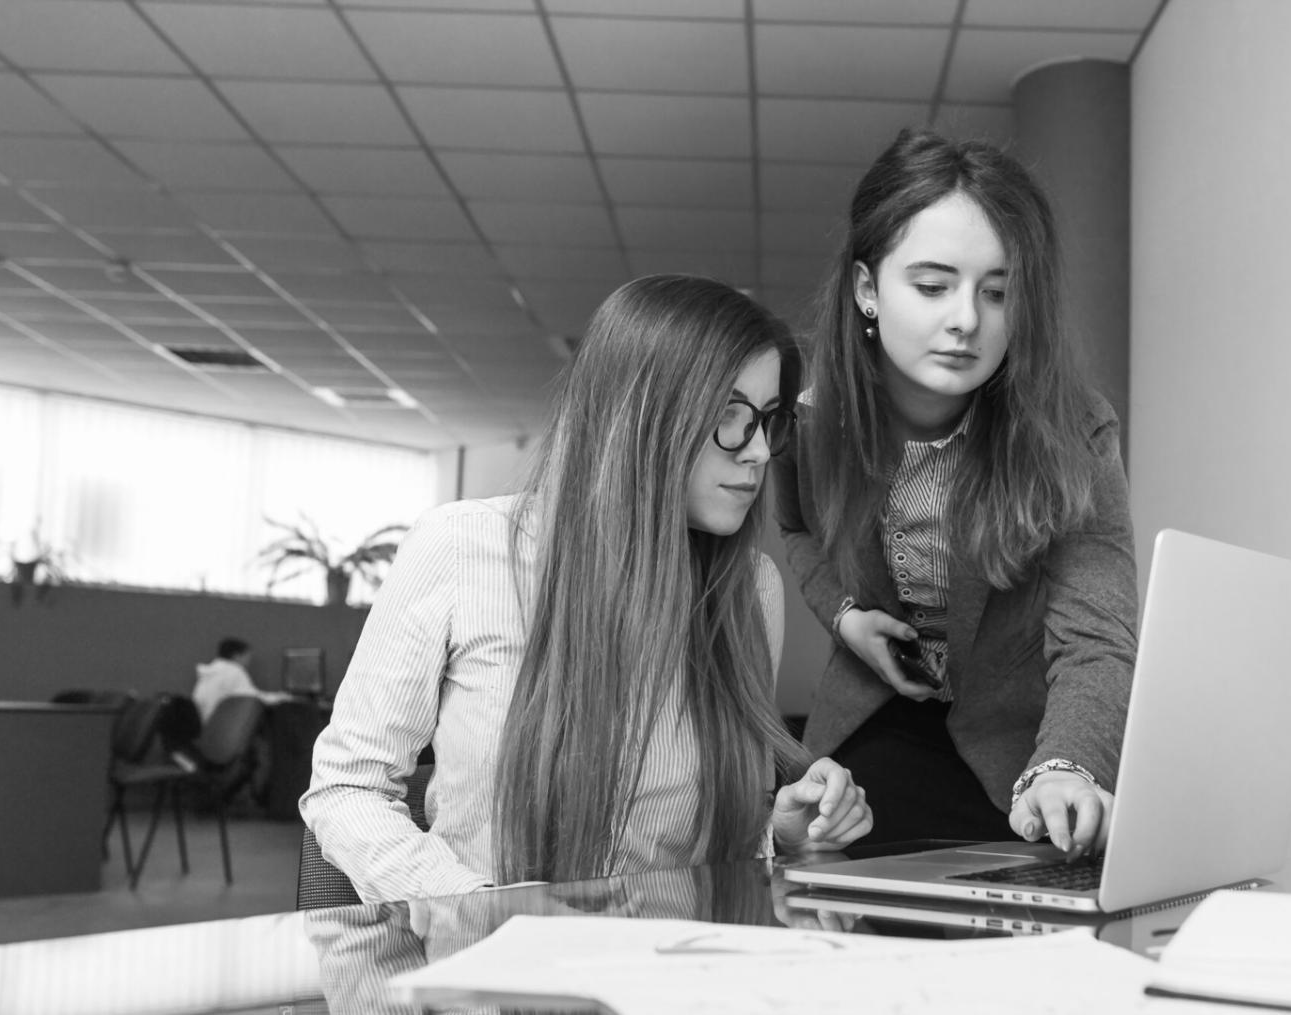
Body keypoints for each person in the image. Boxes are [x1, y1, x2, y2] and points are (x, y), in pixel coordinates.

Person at [303, 275, 872, 905]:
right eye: (729, 416)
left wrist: (778, 832)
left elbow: (696, 848)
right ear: (639, 416)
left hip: (669, 956)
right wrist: (475, 906)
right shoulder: (462, 548)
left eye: (769, 420)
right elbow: (347, 788)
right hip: (491, 957)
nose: (760, 451)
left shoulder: (750, 589)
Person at [773, 127, 1137, 859]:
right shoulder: (809, 424)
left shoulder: (1073, 430)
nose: (967, 319)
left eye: (997, 292)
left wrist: (1068, 763)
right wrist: (845, 618)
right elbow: (798, 531)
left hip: (1021, 751)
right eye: (933, 286)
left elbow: (1096, 632)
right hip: (870, 734)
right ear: (867, 290)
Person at [192, 637, 291, 723]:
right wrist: (283, 697)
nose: (249, 661)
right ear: (236, 656)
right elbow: (253, 699)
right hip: (219, 728)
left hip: (205, 724)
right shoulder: (233, 671)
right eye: (247, 656)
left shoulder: (212, 672)